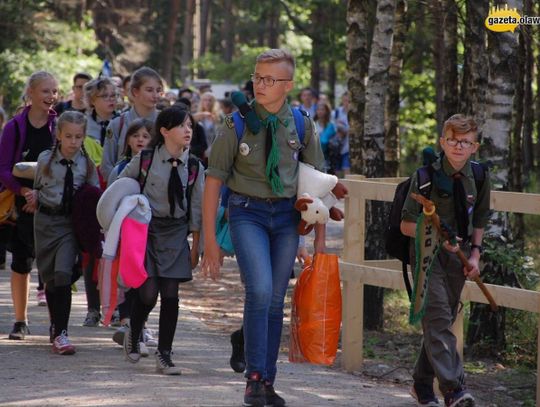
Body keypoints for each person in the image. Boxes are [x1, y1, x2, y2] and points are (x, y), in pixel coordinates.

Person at [202, 48, 326, 407]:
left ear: (287, 85)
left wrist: (317, 239)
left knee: (274, 300)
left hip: (286, 217)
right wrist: (210, 241)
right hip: (246, 213)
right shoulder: (235, 124)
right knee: (259, 290)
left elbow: (317, 183)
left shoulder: (301, 123)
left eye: (270, 79)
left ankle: (266, 380)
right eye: (257, 76)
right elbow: (213, 181)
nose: (260, 84)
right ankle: (254, 378)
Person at [400, 114, 491, 407]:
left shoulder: (479, 176)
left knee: (442, 321)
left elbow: (479, 219)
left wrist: (475, 254)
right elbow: (406, 225)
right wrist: (440, 239)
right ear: (442, 142)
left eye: (465, 142)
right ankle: (454, 390)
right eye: (452, 140)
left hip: (459, 259)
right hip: (428, 257)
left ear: (475, 146)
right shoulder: (425, 177)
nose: (458, 147)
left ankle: (421, 383)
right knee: (438, 317)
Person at [117, 105, 204, 375]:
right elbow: (121, 189)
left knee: (170, 293)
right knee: (148, 292)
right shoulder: (144, 160)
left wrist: (196, 246)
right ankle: (135, 328)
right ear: (165, 131)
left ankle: (164, 354)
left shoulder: (193, 165)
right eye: (181, 126)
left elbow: (198, 208)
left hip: (177, 232)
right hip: (146, 231)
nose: (188, 130)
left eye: (190, 125)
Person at [31, 111, 99, 354]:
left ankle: (62, 333)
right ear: (58, 135)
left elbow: (93, 196)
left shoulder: (87, 164)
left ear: (84, 137)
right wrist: (34, 196)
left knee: (63, 274)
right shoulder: (44, 160)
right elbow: (37, 187)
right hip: (46, 223)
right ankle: (55, 325)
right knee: (50, 278)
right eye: (68, 136)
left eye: (78, 137)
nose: (73, 141)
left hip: (70, 225)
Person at [0, 71, 59, 340]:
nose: (51, 97)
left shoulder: (59, 126)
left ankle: (56, 324)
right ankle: (20, 321)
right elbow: (2, 168)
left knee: (53, 266)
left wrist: (42, 195)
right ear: (31, 93)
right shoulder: (14, 127)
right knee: (21, 263)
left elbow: (64, 165)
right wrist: (24, 191)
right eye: (45, 91)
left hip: (53, 203)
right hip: (21, 204)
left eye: (54, 91)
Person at [101, 67, 163, 180]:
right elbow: (107, 165)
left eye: (158, 90)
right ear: (135, 92)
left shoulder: (166, 123)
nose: (155, 95)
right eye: (149, 90)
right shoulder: (117, 124)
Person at [314, 101, 338, 173]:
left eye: (322, 109)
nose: (320, 111)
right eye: (318, 109)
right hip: (314, 158)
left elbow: (324, 141)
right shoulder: (312, 124)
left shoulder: (331, 126)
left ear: (327, 111)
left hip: (327, 158)